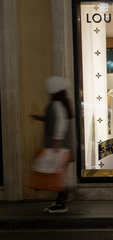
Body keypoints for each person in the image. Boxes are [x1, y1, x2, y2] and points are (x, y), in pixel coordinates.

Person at [30, 76, 74, 213]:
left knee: (57, 174)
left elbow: (61, 123)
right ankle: (61, 201)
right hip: (61, 144)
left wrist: (57, 143)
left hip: (58, 145)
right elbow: (59, 120)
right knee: (59, 174)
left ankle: (61, 203)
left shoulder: (56, 103)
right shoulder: (62, 102)